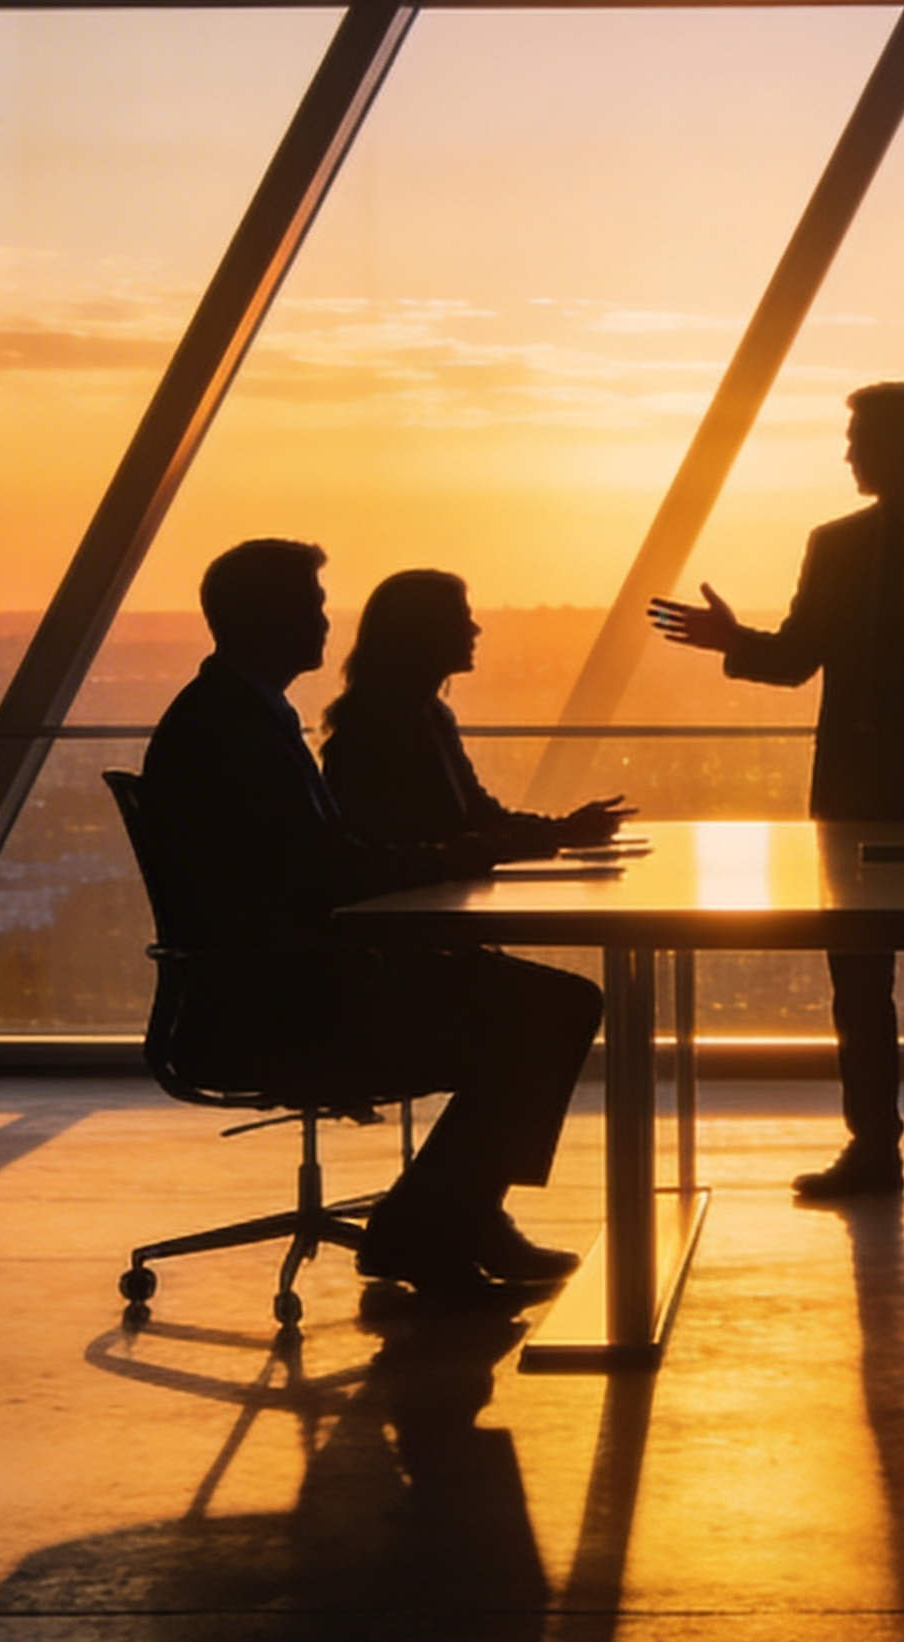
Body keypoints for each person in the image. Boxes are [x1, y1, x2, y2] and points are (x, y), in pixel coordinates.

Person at [138, 538, 603, 1298]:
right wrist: (464, 857)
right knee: (551, 1010)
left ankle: (452, 1216)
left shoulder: (237, 715)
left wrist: (485, 849)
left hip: (281, 984)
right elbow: (336, 870)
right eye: (313, 607)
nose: (328, 624)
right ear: (270, 617)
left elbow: (325, 865)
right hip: (290, 1003)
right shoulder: (236, 731)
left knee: (544, 1005)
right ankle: (432, 1227)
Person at [648, 381, 904, 1214]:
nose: (848, 454)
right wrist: (735, 643)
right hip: (863, 796)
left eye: (858, 438)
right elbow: (799, 658)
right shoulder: (836, 543)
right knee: (862, 983)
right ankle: (880, 1149)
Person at [322, 568, 630, 855]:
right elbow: (452, 835)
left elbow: (478, 818)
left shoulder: (418, 717)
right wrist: (561, 833)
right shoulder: (387, 730)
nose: (474, 629)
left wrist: (562, 829)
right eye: (461, 617)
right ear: (426, 633)